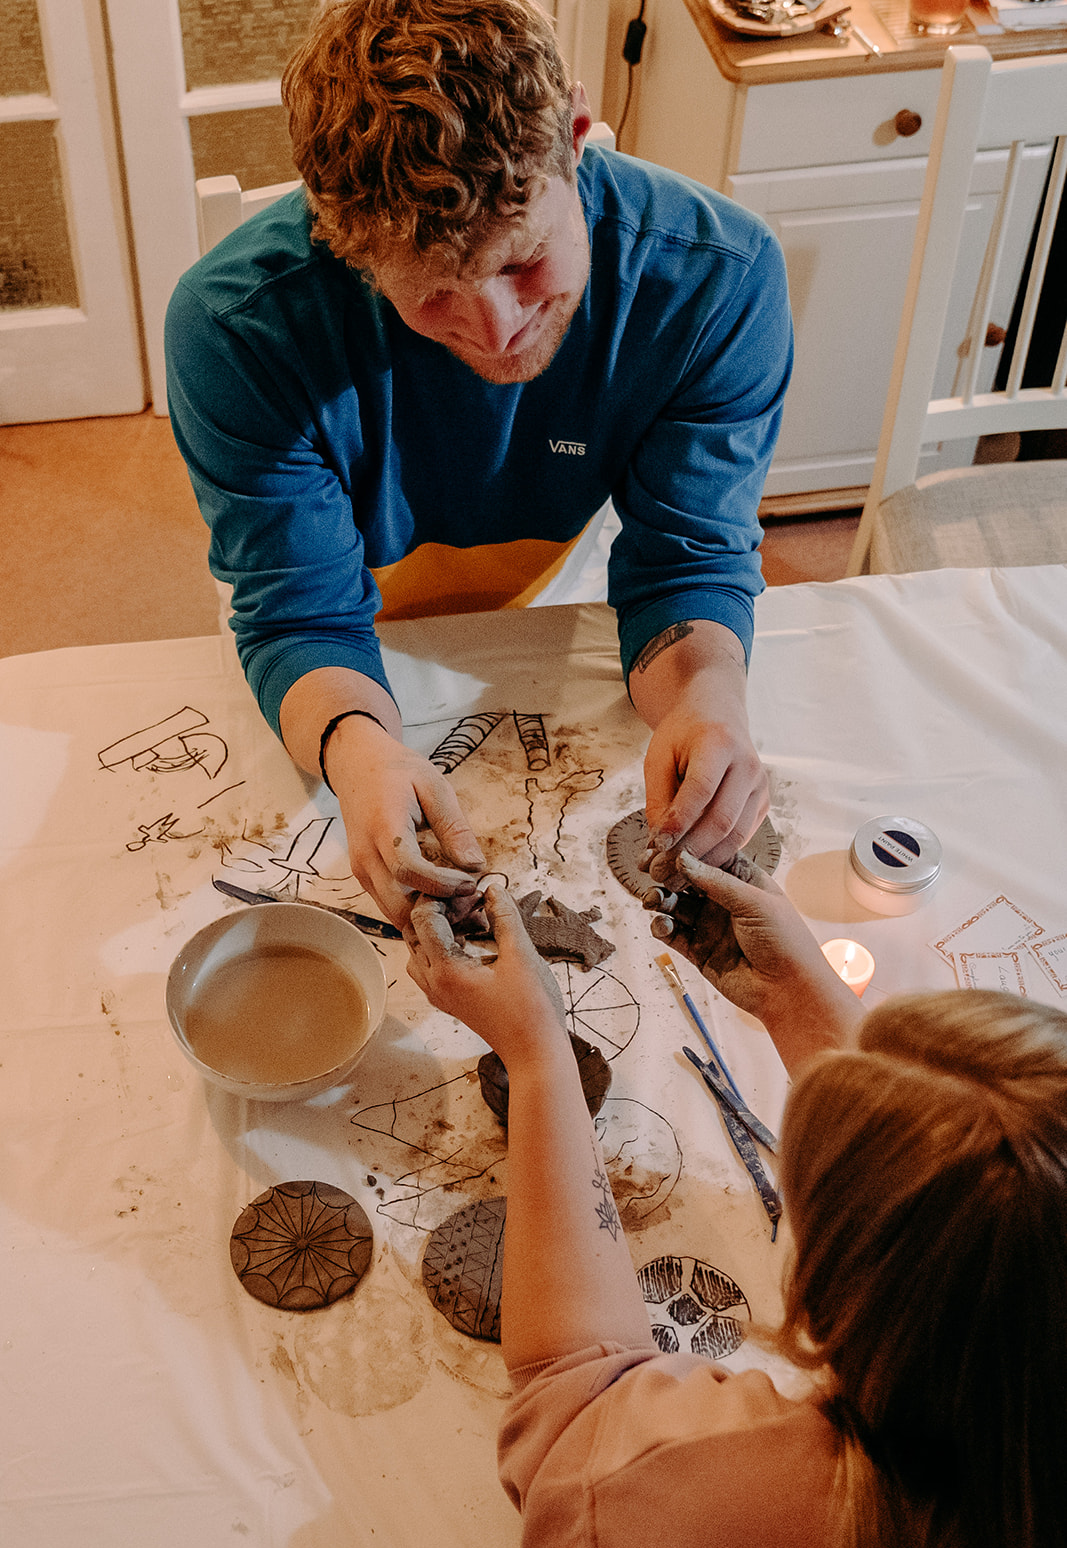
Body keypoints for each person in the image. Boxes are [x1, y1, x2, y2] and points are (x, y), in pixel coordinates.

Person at [164, 0, 793, 932]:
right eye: (432, 297)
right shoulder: (236, 330)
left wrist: (705, 700)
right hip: (329, 634)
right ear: (345, 247)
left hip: (555, 594)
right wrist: (360, 752)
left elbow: (684, 561)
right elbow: (299, 612)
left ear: (576, 140)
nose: (496, 332)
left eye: (527, 261)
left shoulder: (715, 279)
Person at [404, 851, 1067, 1548]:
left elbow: (575, 1394)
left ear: (838, 1295)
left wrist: (535, 1054)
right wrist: (798, 998)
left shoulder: (714, 1514)